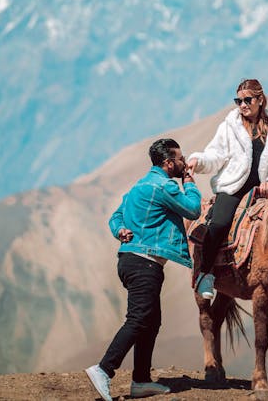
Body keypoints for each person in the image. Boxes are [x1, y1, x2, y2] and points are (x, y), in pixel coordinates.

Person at [86, 138, 202, 401]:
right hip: (144, 263)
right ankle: (104, 369)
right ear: (169, 163)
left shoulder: (139, 186)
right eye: (180, 158)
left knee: (151, 322)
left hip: (130, 261)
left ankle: (140, 381)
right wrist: (190, 183)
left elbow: (116, 216)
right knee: (139, 319)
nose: (184, 163)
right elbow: (193, 210)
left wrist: (120, 230)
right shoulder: (164, 186)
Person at [186, 78, 268, 299]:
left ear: (260, 100)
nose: (242, 105)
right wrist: (199, 160)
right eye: (238, 100)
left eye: (247, 100)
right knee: (219, 223)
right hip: (232, 188)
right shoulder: (229, 126)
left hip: (263, 190)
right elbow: (215, 155)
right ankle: (205, 274)